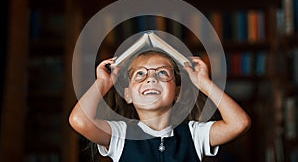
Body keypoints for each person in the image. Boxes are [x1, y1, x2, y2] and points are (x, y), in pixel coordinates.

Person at [69, 49, 251, 162]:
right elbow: (79, 120)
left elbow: (239, 123)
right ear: (128, 95)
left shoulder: (194, 135)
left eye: (162, 72)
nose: (151, 78)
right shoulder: (120, 136)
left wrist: (204, 83)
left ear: (177, 93)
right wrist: (102, 83)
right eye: (140, 74)